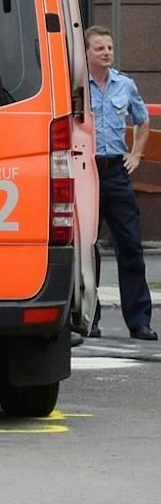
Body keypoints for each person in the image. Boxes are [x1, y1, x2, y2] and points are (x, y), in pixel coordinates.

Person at [85, 26, 155, 342]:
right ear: (87, 53)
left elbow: (143, 121)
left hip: (116, 172)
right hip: (86, 172)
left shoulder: (125, 85)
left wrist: (137, 154)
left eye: (109, 48)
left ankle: (139, 321)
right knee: (87, 250)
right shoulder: (77, 88)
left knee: (130, 246)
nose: (107, 53)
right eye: (100, 48)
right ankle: (89, 318)